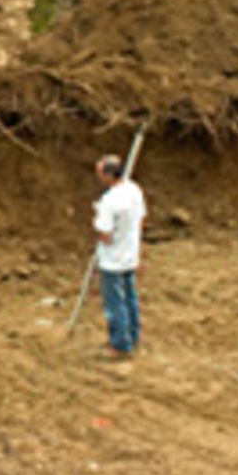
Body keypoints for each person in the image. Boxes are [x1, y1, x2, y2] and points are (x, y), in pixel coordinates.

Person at [93, 153, 146, 357]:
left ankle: (120, 345)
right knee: (130, 298)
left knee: (115, 304)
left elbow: (105, 234)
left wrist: (95, 219)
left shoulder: (109, 201)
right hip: (130, 255)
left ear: (108, 175)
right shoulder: (134, 190)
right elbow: (141, 220)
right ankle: (133, 336)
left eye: (99, 172)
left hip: (113, 260)